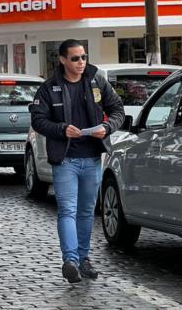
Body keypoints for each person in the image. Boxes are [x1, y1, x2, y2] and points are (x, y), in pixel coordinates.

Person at [30, 40, 124, 283]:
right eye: (75, 58)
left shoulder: (97, 81)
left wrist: (107, 127)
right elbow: (38, 120)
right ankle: (70, 260)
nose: (81, 62)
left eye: (83, 57)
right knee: (67, 210)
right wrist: (62, 130)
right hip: (65, 161)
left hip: (92, 158)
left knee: (86, 212)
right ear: (62, 60)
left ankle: (83, 259)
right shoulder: (50, 88)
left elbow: (118, 111)